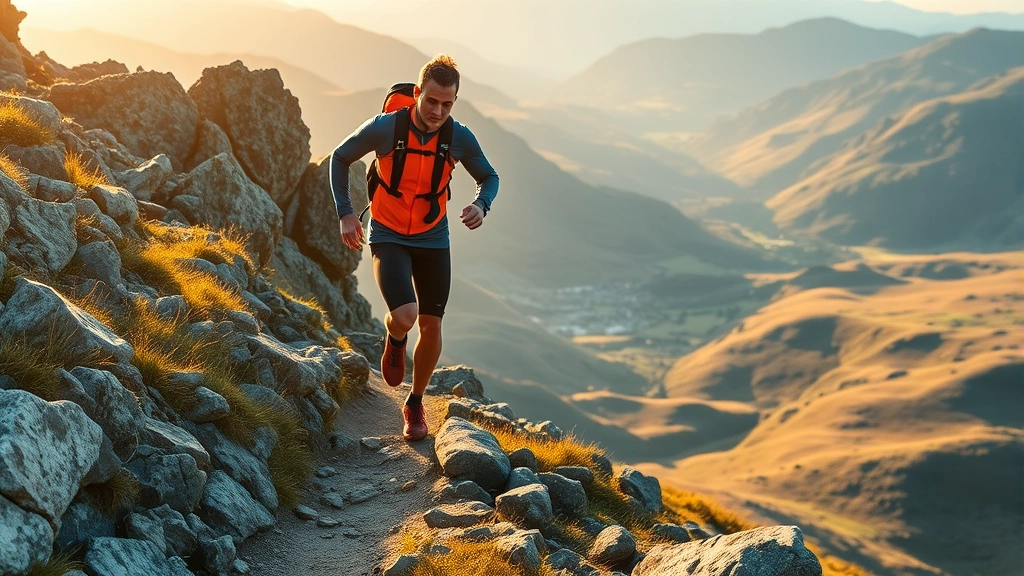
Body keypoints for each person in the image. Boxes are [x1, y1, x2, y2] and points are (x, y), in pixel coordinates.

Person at [329, 54, 499, 441]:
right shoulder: (386, 128)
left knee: (433, 323)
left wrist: (480, 204)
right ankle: (395, 336)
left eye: (447, 104)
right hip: (387, 233)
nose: (438, 111)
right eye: (431, 101)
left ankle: (414, 402)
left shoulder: (458, 137)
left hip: (433, 237)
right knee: (406, 316)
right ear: (418, 93)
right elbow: (340, 158)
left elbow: (489, 177)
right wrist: (346, 213)